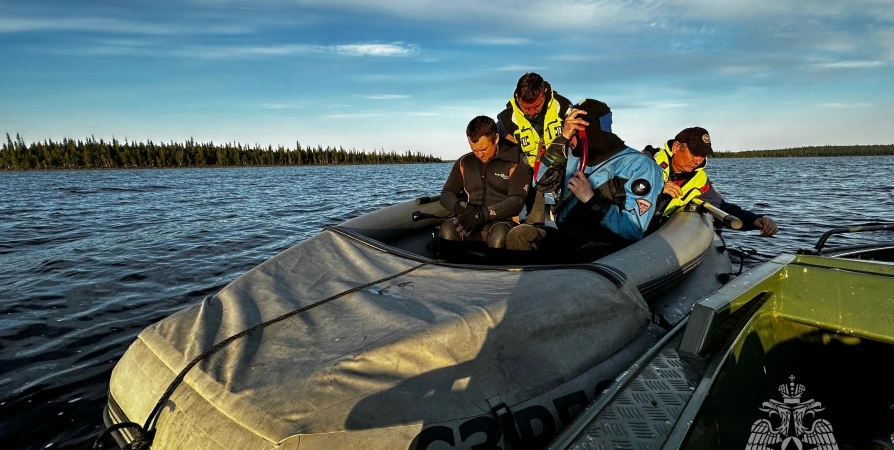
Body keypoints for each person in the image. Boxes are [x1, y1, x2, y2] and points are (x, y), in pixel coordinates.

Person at [505, 99, 664, 262]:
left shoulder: (639, 166)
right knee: (520, 235)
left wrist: (591, 199)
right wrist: (562, 138)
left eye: (572, 131)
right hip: (569, 239)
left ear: (588, 132)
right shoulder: (574, 157)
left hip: (605, 249)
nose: (569, 139)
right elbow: (541, 182)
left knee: (584, 253)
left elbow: (634, 228)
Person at [644, 127, 778, 236]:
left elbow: (721, 206)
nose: (698, 161)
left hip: (652, 237)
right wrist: (656, 185)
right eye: (695, 153)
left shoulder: (699, 179)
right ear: (676, 147)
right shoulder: (644, 162)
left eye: (703, 155)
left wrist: (755, 220)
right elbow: (623, 182)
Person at [438, 115, 530, 253]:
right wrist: (462, 209)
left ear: (496, 138)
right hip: (470, 220)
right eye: (474, 150)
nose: (479, 155)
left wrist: (483, 214)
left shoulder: (516, 162)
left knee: (498, 236)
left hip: (502, 221)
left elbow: (517, 200)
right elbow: (446, 194)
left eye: (484, 149)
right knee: (447, 229)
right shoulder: (464, 162)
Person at [496, 73, 577, 223]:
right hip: (532, 175)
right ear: (518, 98)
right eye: (526, 108)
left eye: (536, 106)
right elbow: (502, 154)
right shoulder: (506, 120)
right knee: (534, 221)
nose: (532, 113)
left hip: (565, 171)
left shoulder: (563, 106)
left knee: (571, 216)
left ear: (544, 93)